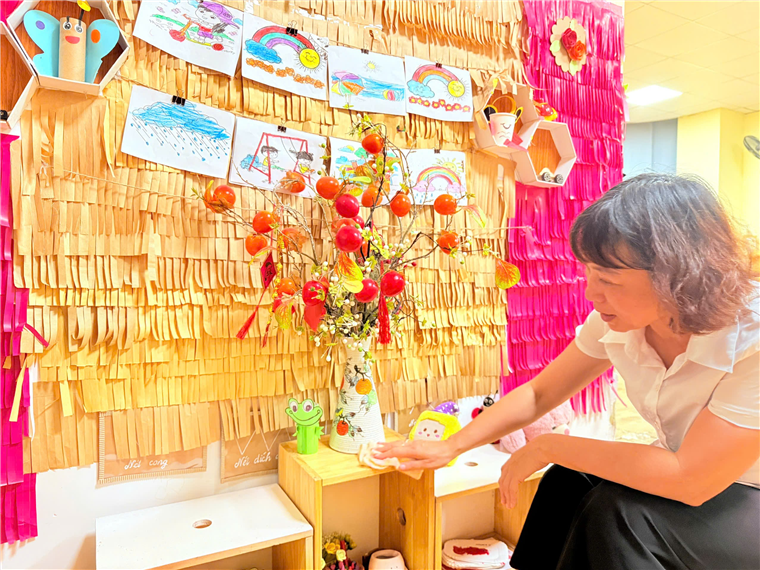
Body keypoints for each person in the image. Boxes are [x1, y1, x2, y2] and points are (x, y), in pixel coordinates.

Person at [373, 173, 760, 569]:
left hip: (746, 496)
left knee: (620, 514)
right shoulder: (619, 322)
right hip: (693, 478)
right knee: (566, 482)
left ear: (677, 276)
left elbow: (689, 479)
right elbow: (539, 394)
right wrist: (451, 446)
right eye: (589, 273)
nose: (591, 293)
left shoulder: (752, 339)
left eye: (608, 279)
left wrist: (547, 446)